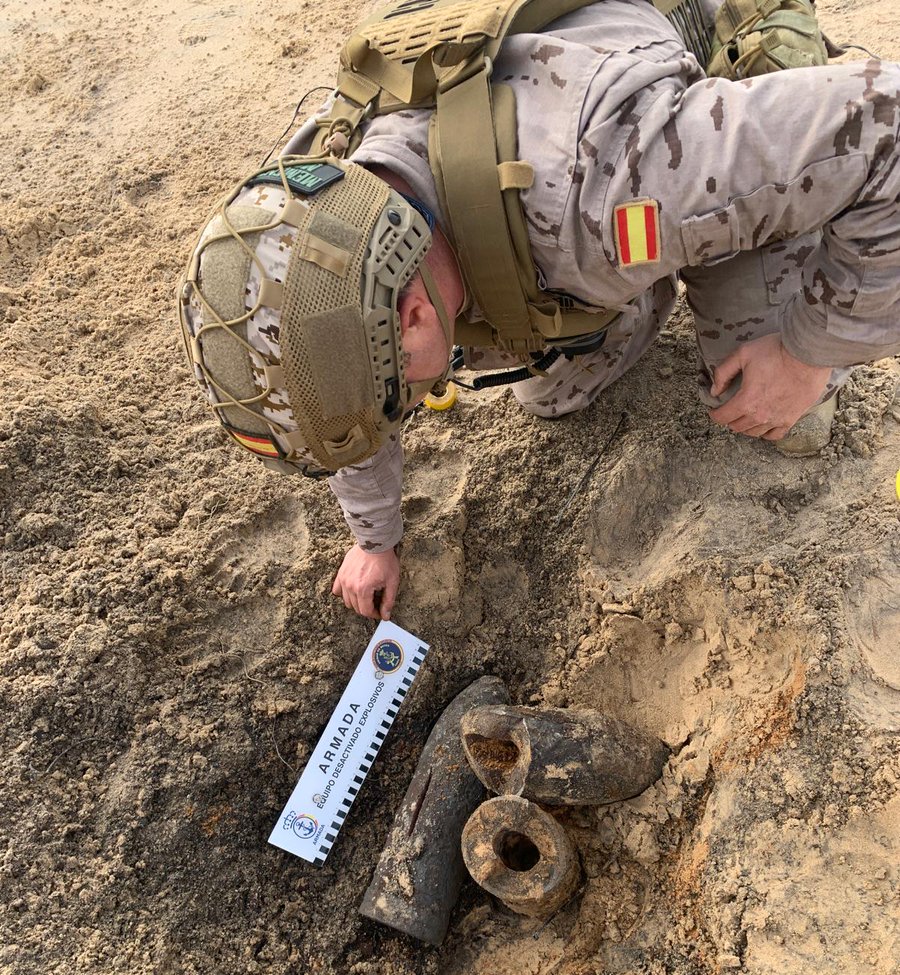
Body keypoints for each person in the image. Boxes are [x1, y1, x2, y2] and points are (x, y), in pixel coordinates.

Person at [180, 0, 900, 620]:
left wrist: (811, 349)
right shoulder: (315, 213)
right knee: (555, 388)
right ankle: (673, 247)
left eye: (398, 404)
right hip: (559, 116)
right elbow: (328, 367)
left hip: (648, 104)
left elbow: (888, 126)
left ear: (413, 320)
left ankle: (752, 48)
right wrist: (376, 539)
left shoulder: (610, 192)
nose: (395, 419)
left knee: (783, 409)